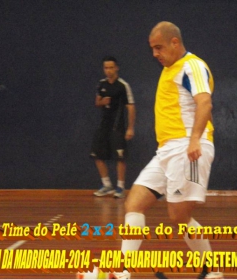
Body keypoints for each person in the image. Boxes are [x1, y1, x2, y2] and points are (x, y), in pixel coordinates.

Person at [112, 22, 223, 279]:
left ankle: (213, 271)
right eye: (152, 49)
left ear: (175, 42)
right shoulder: (169, 69)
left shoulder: (192, 66)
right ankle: (123, 271)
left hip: (187, 148)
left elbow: (205, 103)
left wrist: (195, 139)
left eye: (159, 47)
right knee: (134, 203)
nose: (155, 54)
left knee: (179, 216)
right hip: (166, 151)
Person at [90, 56, 136, 198]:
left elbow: (131, 107)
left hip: (118, 126)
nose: (108, 70)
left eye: (111, 67)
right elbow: (97, 103)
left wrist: (130, 128)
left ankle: (120, 187)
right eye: (106, 68)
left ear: (116, 68)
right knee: (96, 154)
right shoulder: (101, 84)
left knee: (120, 157)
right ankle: (107, 184)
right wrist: (102, 102)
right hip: (104, 124)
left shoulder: (123, 85)